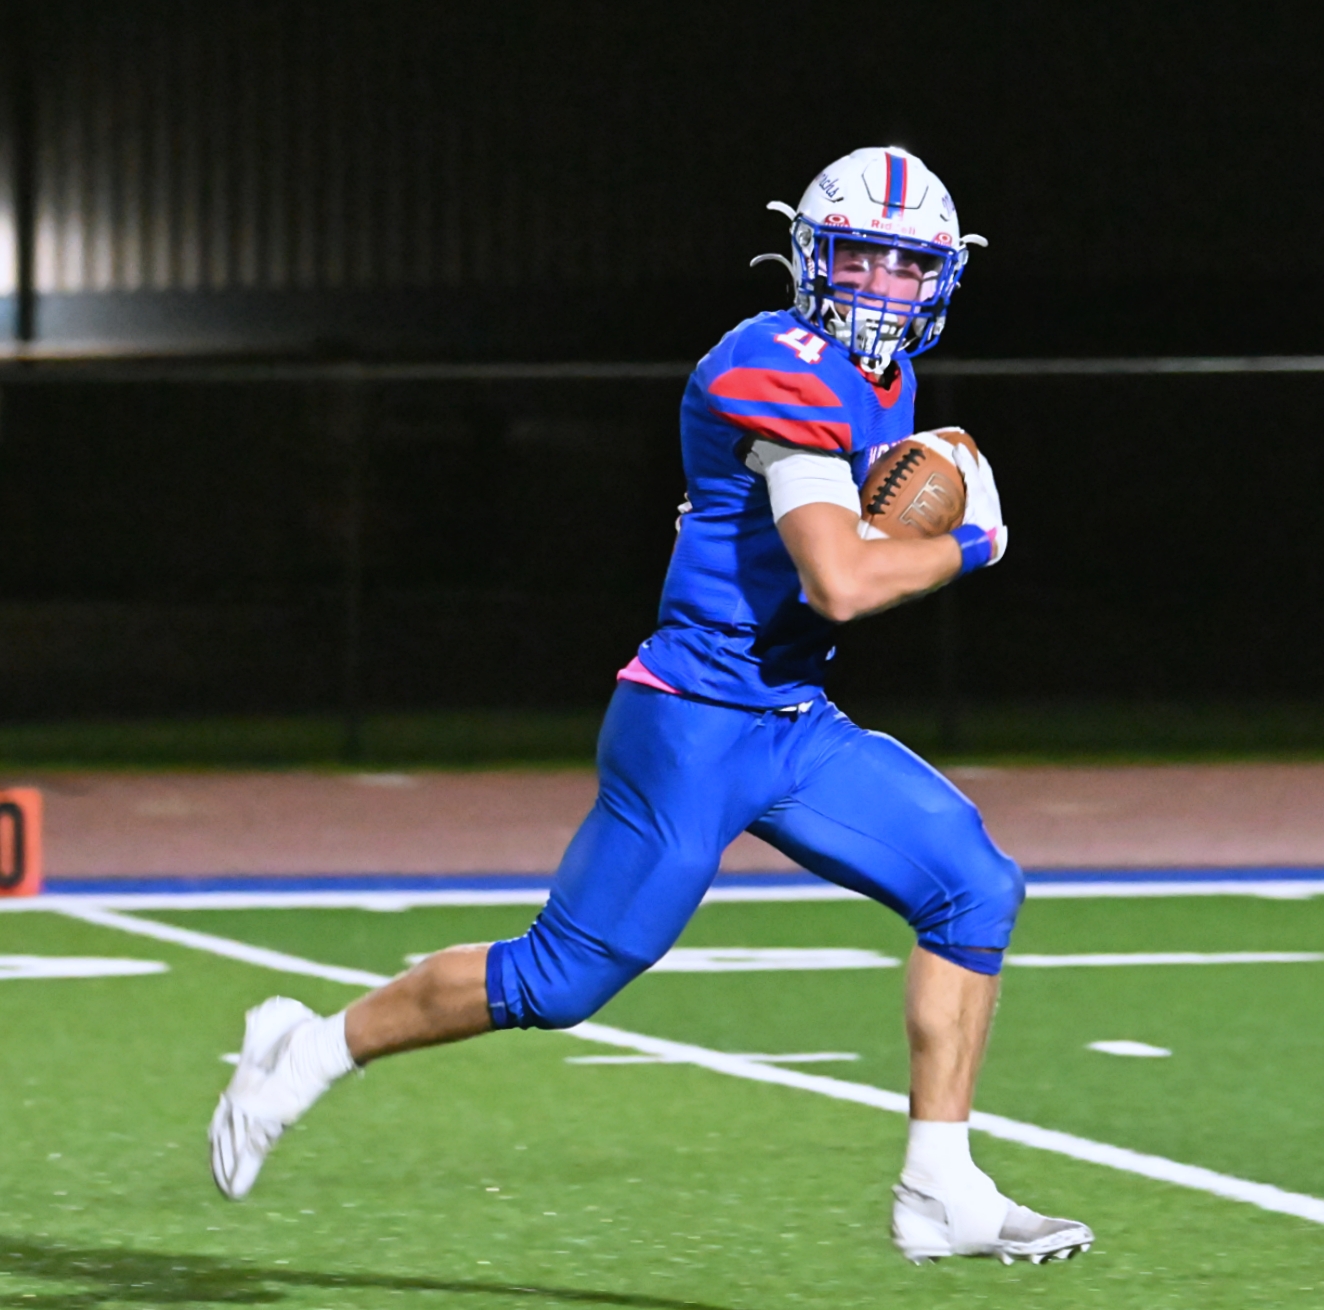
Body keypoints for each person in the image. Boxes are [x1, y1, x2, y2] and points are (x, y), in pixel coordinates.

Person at [207, 145, 1094, 1267]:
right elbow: (842, 579)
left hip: (788, 715)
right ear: (809, 257)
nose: (879, 285)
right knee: (555, 980)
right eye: (859, 256)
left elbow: (849, 550)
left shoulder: (883, 384)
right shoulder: (777, 363)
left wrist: (922, 500)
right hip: (690, 721)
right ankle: (311, 1045)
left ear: (941, 279)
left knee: (973, 884)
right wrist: (973, 538)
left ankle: (941, 1185)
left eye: (904, 265)